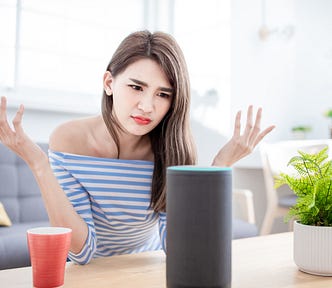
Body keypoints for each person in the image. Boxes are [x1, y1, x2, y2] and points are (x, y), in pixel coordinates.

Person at [0, 30, 275, 265]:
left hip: (148, 270)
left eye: (163, 94)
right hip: (88, 275)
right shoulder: (69, 140)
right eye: (136, 87)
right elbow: (81, 252)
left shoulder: (173, 151)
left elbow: (180, 249)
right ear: (109, 83)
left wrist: (220, 165)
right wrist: (38, 164)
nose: (147, 106)